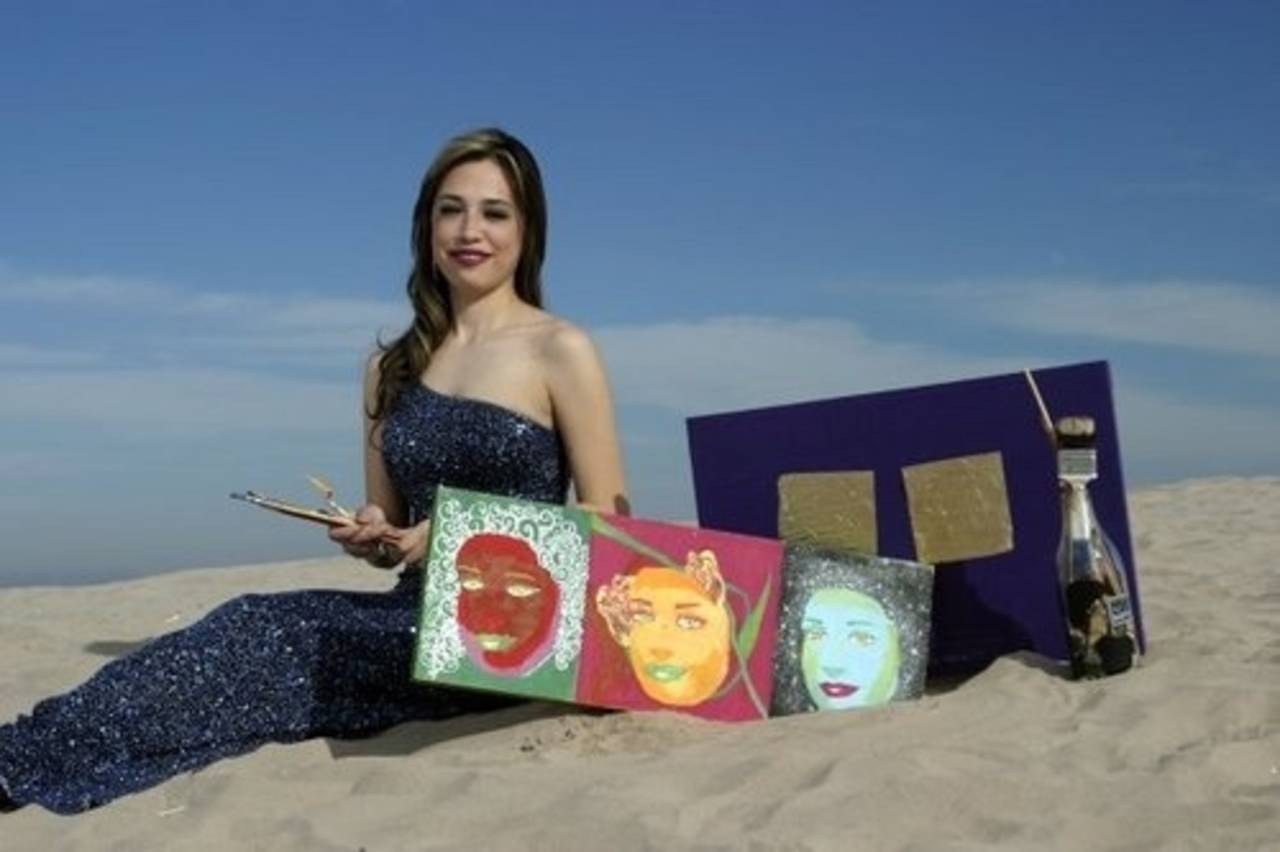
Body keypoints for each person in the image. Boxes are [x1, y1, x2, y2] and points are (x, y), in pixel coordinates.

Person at [0, 127, 628, 814]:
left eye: (494, 212)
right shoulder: (390, 367)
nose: (469, 230)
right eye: (450, 210)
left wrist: (465, 537)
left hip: (503, 637)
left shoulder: (559, 349)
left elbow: (609, 522)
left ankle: (26, 759)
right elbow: (389, 531)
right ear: (426, 227)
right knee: (248, 623)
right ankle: (27, 754)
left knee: (265, 634)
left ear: (527, 230)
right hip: (408, 615)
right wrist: (371, 533)